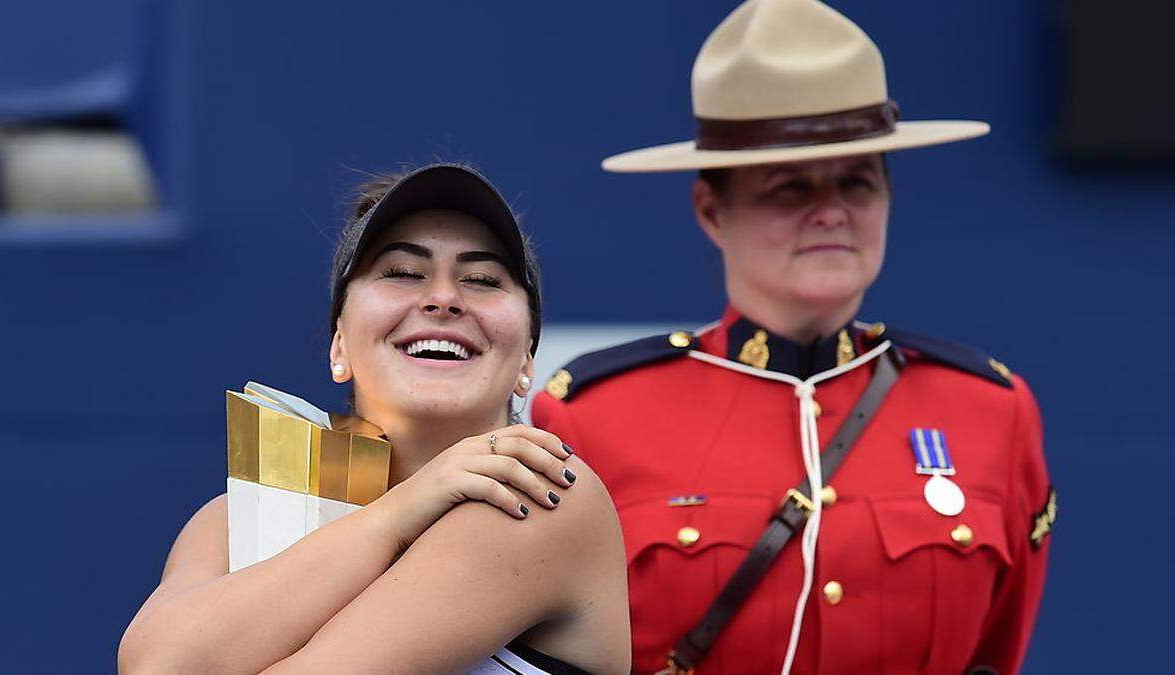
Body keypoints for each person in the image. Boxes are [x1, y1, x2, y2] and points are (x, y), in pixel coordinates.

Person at [531, 1, 1053, 674]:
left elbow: (994, 654)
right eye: (788, 188)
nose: (830, 210)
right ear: (712, 210)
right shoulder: (594, 416)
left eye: (858, 183)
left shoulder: (991, 412)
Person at [118, 163, 631, 674]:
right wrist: (396, 513)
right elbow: (157, 667)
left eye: (481, 279)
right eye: (403, 274)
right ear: (339, 345)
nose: (443, 299)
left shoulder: (539, 491)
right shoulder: (231, 519)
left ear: (526, 363)